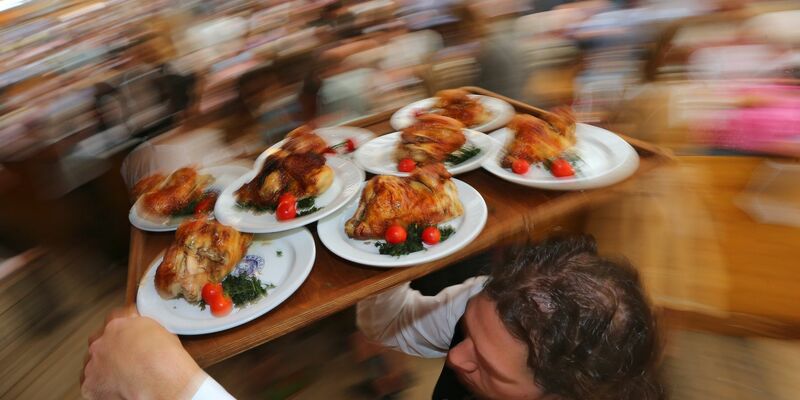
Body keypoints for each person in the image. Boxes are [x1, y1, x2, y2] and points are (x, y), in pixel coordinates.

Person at [80, 236, 663, 399]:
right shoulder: (497, 303)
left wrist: (179, 389)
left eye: (488, 367)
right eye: (469, 330)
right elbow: (386, 325)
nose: (456, 356)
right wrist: (385, 260)